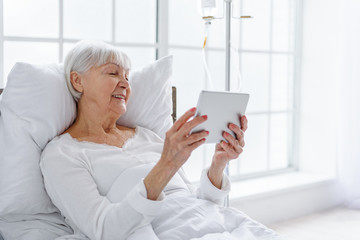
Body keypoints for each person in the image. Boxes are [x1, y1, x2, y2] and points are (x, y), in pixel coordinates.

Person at [40, 40, 283, 240]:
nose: (125, 83)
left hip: (225, 224)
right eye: (113, 73)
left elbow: (198, 203)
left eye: (127, 76)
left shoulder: (146, 136)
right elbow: (104, 229)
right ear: (77, 80)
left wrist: (219, 163)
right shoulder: (62, 154)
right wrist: (166, 164)